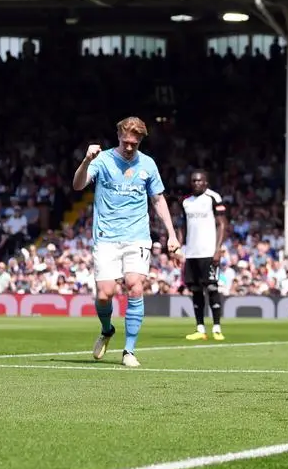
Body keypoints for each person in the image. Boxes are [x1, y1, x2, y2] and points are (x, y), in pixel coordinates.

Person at [72, 117, 180, 368]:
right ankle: (107, 329)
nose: (129, 147)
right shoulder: (102, 160)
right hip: (106, 236)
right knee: (104, 295)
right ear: (118, 136)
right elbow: (78, 186)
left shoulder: (148, 165)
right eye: (125, 141)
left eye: (135, 142)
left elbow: (158, 200)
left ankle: (129, 351)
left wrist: (172, 234)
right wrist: (87, 159)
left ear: (141, 140)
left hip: (137, 236)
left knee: (135, 286)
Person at [181, 170, 228, 341]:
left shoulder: (213, 198)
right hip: (191, 253)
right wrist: (179, 248)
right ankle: (200, 328)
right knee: (195, 290)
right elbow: (183, 226)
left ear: (206, 183)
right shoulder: (186, 202)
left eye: (199, 181)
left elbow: (222, 225)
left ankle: (217, 327)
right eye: (193, 181)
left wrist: (218, 249)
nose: (196, 183)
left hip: (208, 251)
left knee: (212, 288)